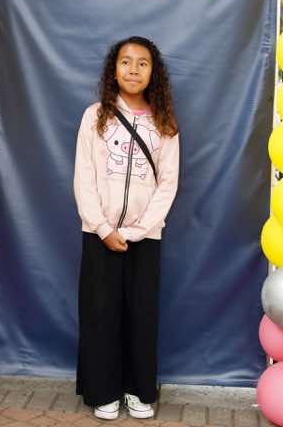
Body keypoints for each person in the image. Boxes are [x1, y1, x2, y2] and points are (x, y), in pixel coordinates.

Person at [73, 36, 180, 420]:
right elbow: (84, 177)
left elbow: (168, 183)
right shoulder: (95, 116)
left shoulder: (164, 122)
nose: (133, 70)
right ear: (113, 69)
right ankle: (103, 391)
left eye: (142, 63)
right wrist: (102, 228)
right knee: (101, 314)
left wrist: (139, 229)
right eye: (125, 62)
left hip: (145, 237)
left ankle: (138, 389)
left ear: (153, 73)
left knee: (140, 315)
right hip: (99, 234)